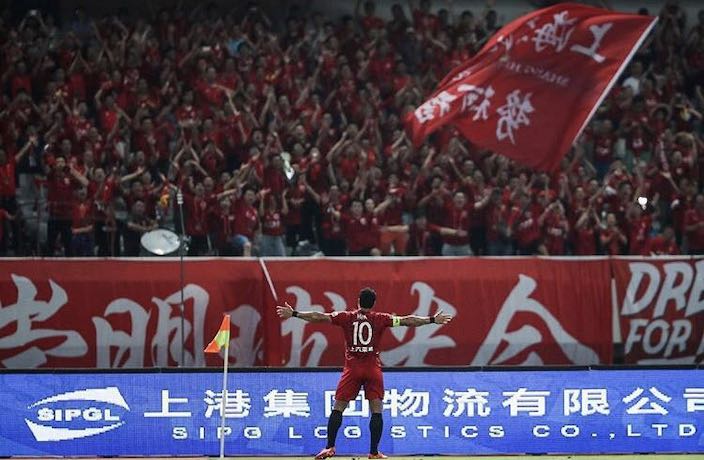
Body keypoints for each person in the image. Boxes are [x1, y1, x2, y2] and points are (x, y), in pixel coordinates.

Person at [276, 287, 453, 459]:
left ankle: (329, 447)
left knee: (338, 407)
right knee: (376, 410)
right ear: (374, 303)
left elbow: (319, 317)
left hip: (352, 369)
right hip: (372, 368)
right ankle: (374, 452)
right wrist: (431, 319)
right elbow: (407, 320)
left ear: (358, 301)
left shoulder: (345, 317)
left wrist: (294, 314)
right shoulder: (382, 318)